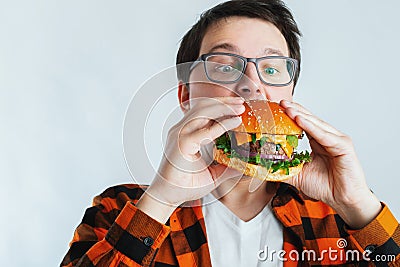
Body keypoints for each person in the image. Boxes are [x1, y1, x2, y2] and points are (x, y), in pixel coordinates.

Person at [61, 0, 400, 266]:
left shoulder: (339, 221)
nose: (252, 86)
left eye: (270, 68)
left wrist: (357, 204)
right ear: (186, 96)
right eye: (224, 66)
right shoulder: (119, 209)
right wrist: (162, 199)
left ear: (290, 97)